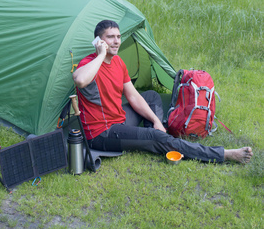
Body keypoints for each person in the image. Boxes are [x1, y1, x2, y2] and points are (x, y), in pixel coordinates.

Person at [73, 20, 253, 164]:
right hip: (101, 134)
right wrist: (100, 55)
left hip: (118, 119)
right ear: (99, 41)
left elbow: (134, 96)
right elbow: (80, 80)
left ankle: (159, 137)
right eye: (110, 37)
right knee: (155, 136)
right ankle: (223, 154)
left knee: (151, 96)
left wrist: (156, 120)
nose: (116, 41)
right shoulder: (88, 64)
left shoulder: (118, 62)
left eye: (118, 36)